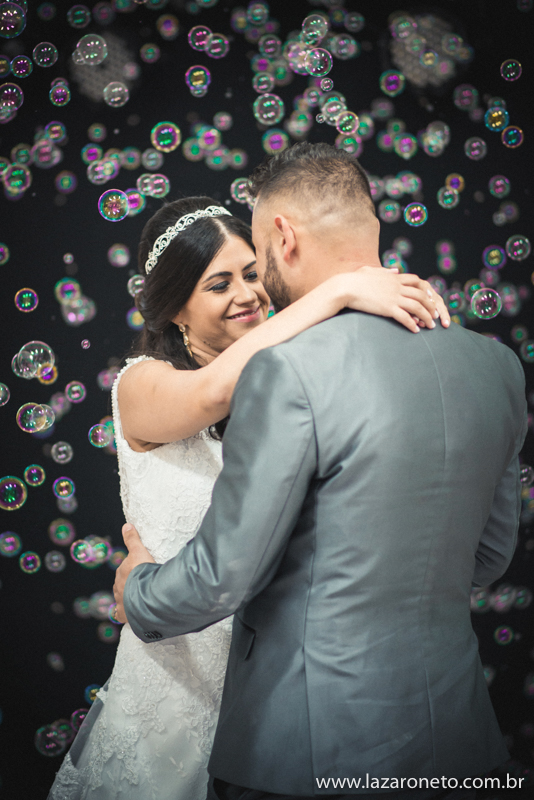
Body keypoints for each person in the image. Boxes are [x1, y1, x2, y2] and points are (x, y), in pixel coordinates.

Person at [114, 143, 528, 800]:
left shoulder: (286, 370)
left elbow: (225, 574)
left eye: (254, 259)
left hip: (305, 746)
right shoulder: (498, 366)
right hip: (458, 733)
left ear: (282, 236)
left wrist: (136, 590)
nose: (252, 290)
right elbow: (490, 557)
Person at [48, 190, 447, 800]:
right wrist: (336, 291)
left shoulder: (288, 382)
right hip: (173, 679)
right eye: (218, 284)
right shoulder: (142, 385)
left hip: (271, 687)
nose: (249, 294)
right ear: (175, 308)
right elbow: (210, 394)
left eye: (254, 273)